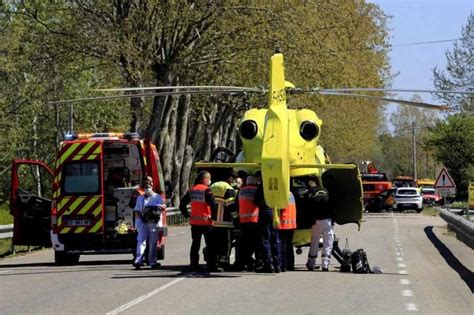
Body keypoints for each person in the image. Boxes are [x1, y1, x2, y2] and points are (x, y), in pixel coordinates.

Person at [179, 171, 218, 272]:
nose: (209, 180)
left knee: (195, 245)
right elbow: (214, 205)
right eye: (208, 178)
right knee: (210, 245)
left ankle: (193, 264)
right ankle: (212, 265)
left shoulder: (192, 190)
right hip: (206, 222)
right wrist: (214, 217)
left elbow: (182, 205)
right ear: (204, 180)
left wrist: (187, 215)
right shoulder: (207, 190)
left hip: (195, 222)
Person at [133, 176, 166, 269]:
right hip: (142, 223)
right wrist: (143, 218)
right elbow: (137, 210)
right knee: (141, 241)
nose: (148, 185)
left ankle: (152, 262)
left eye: (150, 182)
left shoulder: (157, 197)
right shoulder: (140, 198)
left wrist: (156, 210)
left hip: (153, 223)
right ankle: (138, 261)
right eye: (146, 183)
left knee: (153, 242)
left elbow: (162, 207)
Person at [209, 170, 238, 271]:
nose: (234, 181)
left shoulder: (212, 186)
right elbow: (231, 205)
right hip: (225, 222)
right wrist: (236, 218)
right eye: (233, 179)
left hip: (212, 221)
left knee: (214, 245)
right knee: (225, 245)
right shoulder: (228, 188)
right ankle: (223, 264)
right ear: (229, 178)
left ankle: (213, 264)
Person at [253, 171, 281, 273]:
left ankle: (268, 265)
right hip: (275, 213)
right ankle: (277, 265)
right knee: (275, 239)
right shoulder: (276, 185)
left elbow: (255, 201)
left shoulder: (263, 187)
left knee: (265, 240)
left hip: (265, 213)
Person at [305, 178, 333, 272]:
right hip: (328, 220)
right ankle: (325, 265)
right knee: (328, 242)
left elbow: (308, 209)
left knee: (315, 242)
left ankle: (311, 264)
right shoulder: (325, 191)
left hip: (317, 221)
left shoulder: (309, 194)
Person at [235, 175, 259, 271]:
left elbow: (236, 204)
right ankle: (253, 262)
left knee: (244, 243)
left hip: (243, 221)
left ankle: (245, 262)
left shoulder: (241, 190)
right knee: (255, 243)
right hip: (255, 220)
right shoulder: (257, 190)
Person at [278, 191, 297, 272]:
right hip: (291, 223)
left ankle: (283, 265)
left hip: (283, 223)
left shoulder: (281, 195)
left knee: (282, 245)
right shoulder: (291, 194)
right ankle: (290, 265)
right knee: (289, 245)